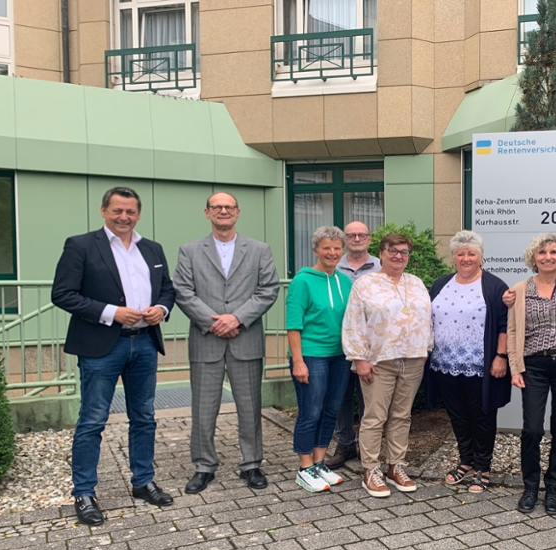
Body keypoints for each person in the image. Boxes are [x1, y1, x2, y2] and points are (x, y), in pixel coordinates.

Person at [52, 186, 176, 525]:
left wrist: (162, 309)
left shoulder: (152, 247)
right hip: (101, 346)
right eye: (118, 211)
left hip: (145, 343)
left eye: (131, 212)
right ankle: (84, 492)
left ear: (139, 214)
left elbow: (167, 288)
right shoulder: (80, 245)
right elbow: (62, 294)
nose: (124, 217)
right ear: (104, 210)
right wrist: (111, 312)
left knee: (144, 417)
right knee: (92, 420)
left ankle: (143, 481)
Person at [174, 192, 280, 495]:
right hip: (206, 339)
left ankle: (251, 464)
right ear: (206, 212)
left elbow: (267, 289)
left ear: (238, 212)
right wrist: (213, 321)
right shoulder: (190, 250)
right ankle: (204, 466)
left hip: (244, 337)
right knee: (203, 408)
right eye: (217, 207)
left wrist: (236, 319)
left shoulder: (259, 250)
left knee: (249, 406)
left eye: (229, 207)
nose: (223, 211)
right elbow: (183, 291)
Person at [342, 233, 433, 498]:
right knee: (374, 417)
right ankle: (370, 469)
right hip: (378, 361)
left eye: (404, 252)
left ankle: (396, 466)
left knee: (402, 416)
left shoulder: (416, 283)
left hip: (413, 359)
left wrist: (426, 347)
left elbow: (427, 316)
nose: (398, 256)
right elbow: (354, 323)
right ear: (381, 253)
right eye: (393, 250)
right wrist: (359, 359)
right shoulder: (365, 284)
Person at [507, 233, 556, 515]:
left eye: (554, 252)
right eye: (542, 253)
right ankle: (530, 487)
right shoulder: (521, 288)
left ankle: (554, 487)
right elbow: (514, 330)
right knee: (531, 429)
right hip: (534, 365)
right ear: (534, 258)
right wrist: (515, 367)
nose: (548, 257)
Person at [429, 231, 511, 493]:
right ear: (453, 257)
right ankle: (466, 461)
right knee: (458, 415)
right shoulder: (441, 284)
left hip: (481, 366)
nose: (466, 258)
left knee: (482, 415)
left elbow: (504, 325)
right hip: (445, 364)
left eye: (471, 253)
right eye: (460, 253)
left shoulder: (494, 286)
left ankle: (483, 468)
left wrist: (501, 357)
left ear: (480, 257)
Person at [286, 226, 353, 492]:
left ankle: (319, 463)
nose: (332, 253)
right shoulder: (302, 281)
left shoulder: (345, 281)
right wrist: (298, 361)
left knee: (330, 411)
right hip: (311, 355)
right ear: (316, 250)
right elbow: (293, 324)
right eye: (327, 248)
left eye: (337, 248)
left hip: (340, 356)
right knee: (310, 412)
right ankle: (304, 468)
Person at [326, 221, 381, 469]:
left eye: (362, 234)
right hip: (339, 344)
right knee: (341, 397)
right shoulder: (331, 266)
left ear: (369, 239)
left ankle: (370, 447)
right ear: (344, 239)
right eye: (351, 235)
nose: (357, 238)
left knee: (372, 398)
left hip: (374, 346)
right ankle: (346, 444)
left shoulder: (382, 267)